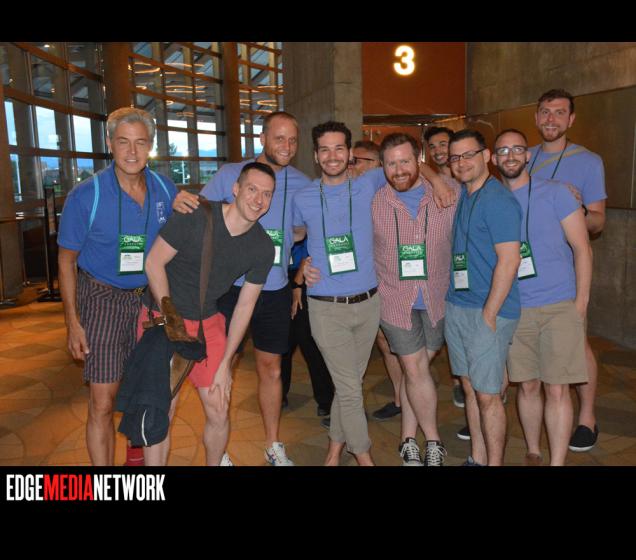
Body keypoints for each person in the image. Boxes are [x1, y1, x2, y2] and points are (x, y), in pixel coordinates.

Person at [174, 111, 307, 466]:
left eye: (293, 140)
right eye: (279, 138)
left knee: (272, 368)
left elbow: (304, 229)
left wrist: (296, 261)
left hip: (274, 287)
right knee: (222, 365)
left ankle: (272, 444)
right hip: (229, 288)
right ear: (262, 138)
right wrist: (177, 199)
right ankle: (218, 449)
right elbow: (200, 212)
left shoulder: (301, 182)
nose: (286, 146)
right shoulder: (232, 174)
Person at [57, 107, 177, 466]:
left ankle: (135, 459)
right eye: (123, 142)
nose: (132, 152)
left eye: (140, 143)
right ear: (110, 144)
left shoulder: (165, 189)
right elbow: (66, 261)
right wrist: (73, 322)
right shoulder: (86, 195)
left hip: (149, 301)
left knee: (147, 393)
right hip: (102, 298)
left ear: (151, 146)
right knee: (103, 401)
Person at [142, 162, 276, 466]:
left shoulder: (262, 247)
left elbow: (245, 306)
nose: (258, 200)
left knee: (219, 406)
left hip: (207, 322)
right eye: (252, 189)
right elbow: (153, 263)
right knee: (164, 408)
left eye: (267, 194)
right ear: (236, 189)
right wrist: (171, 321)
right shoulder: (195, 215)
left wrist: (227, 363)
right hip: (164, 317)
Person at [493, 129, 592, 466]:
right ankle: (534, 452)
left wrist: (580, 304)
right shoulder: (494, 200)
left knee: (557, 387)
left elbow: (582, 249)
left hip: (558, 306)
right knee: (527, 385)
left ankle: (557, 462)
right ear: (494, 158)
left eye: (517, 149)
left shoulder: (556, 193)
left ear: (528, 155)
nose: (510, 156)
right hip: (516, 308)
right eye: (503, 150)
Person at [372, 133, 459, 466]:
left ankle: (407, 438)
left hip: (438, 299)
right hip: (395, 302)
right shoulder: (374, 200)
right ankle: (433, 441)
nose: (399, 170)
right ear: (382, 166)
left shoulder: (449, 194)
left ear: (419, 159)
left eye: (405, 161)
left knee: (415, 373)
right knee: (415, 368)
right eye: (391, 163)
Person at [529, 89, 607, 452]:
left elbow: (598, 222)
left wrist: (579, 209)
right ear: (536, 117)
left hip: (566, 269)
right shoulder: (522, 157)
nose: (551, 119)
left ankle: (587, 416)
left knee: (576, 342)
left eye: (559, 112)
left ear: (571, 119)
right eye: (545, 112)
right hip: (527, 271)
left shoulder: (588, 161)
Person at [443, 129, 522, 466]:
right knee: (470, 387)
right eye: (455, 157)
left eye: (468, 155)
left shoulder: (498, 200)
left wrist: (489, 314)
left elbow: (510, 260)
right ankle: (476, 457)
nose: (461, 162)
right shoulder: (465, 193)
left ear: (486, 156)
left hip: (488, 311)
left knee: (488, 395)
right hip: (459, 305)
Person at [348, 140, 404, 422]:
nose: (352, 166)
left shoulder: (392, 194)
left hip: (396, 280)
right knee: (383, 342)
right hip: (364, 280)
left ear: (377, 166)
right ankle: (399, 398)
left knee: (400, 344)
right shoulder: (352, 194)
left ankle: (408, 398)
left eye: (358, 160)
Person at [423, 125, 467, 412]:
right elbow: (416, 166)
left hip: (467, 264)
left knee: (466, 326)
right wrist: (437, 180)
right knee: (449, 326)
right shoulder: (430, 179)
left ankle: (474, 381)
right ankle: (457, 380)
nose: (438, 150)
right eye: (433, 146)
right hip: (440, 266)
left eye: (443, 144)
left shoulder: (468, 175)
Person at [280, 238, 335, 418]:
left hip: (303, 276)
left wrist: (298, 282)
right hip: (277, 276)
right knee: (283, 341)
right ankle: (279, 393)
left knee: (308, 341)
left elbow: (312, 245)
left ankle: (326, 398)